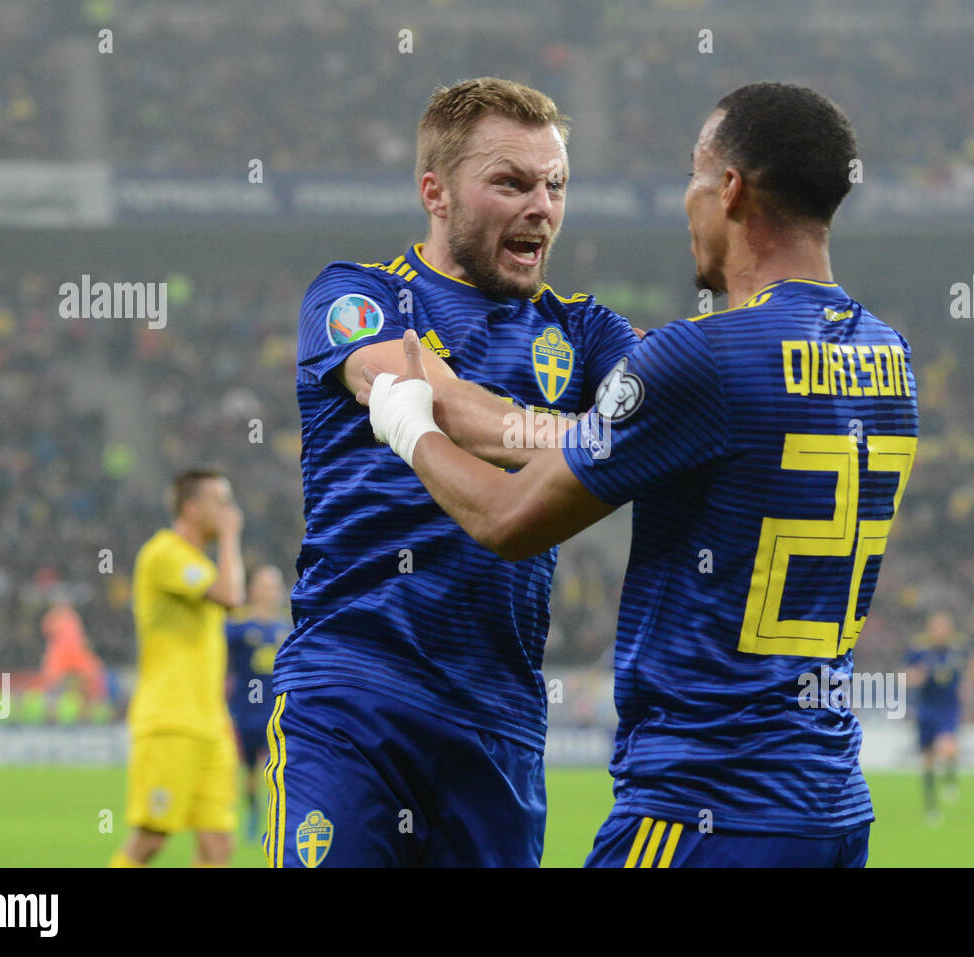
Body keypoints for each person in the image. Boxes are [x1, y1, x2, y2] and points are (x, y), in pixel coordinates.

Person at [365, 82, 919, 867]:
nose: (686, 200)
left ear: (729, 189)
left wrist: (411, 425)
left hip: (705, 801)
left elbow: (506, 520)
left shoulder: (703, 354)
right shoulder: (891, 358)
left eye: (695, 175)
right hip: (831, 806)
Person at [267, 77, 639, 867]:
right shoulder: (358, 297)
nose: (541, 205)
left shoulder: (586, 330)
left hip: (499, 723)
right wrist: (588, 436)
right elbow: (441, 405)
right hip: (353, 697)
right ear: (434, 192)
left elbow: (666, 412)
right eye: (510, 182)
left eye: (556, 185)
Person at [110, 468, 245, 867]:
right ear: (190, 507)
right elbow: (231, 594)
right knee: (150, 839)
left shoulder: (197, 565)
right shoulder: (164, 553)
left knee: (217, 846)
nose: (228, 511)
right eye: (219, 502)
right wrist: (230, 535)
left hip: (211, 726)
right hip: (170, 720)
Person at [225, 565, 289, 840]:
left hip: (276, 712)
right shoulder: (238, 627)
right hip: (243, 712)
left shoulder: (287, 629)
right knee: (249, 770)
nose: (271, 591)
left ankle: (276, 818)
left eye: (275, 586)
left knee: (276, 768)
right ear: (252, 590)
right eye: (265, 585)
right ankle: (252, 811)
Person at [905, 611, 974, 824]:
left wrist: (970, 683)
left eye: (943, 627)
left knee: (947, 747)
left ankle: (950, 777)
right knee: (928, 760)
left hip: (948, 707)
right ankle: (931, 806)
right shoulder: (918, 649)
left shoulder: (959, 647)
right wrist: (915, 677)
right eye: (936, 627)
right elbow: (906, 676)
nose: (940, 631)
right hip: (926, 708)